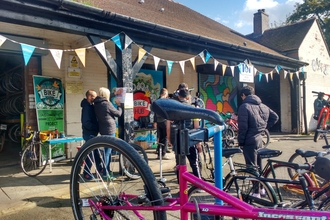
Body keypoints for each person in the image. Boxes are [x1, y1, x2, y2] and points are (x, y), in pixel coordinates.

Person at [237, 85, 278, 197]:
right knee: (259, 165)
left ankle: (256, 192)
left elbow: (243, 128)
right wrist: (264, 127)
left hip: (249, 141)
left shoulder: (244, 107)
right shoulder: (263, 105)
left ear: (243, 95)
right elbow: (275, 117)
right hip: (259, 139)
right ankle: (262, 189)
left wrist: (241, 142)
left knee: (251, 167)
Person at [168, 84, 202, 183]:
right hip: (190, 138)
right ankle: (199, 184)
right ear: (188, 97)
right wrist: (198, 143)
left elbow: (168, 125)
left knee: (179, 164)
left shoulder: (173, 108)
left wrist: (170, 139)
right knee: (194, 162)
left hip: (177, 139)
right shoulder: (193, 108)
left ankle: (181, 185)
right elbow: (196, 126)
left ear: (178, 96)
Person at [94, 87, 122, 180]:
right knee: (108, 152)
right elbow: (118, 113)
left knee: (107, 151)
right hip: (110, 129)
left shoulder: (97, 103)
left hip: (102, 129)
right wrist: (119, 106)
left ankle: (106, 170)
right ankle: (106, 173)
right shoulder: (107, 103)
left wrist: (116, 93)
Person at [81, 90, 99, 180]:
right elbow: (86, 122)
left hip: (91, 133)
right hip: (89, 134)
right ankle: (87, 173)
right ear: (89, 97)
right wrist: (95, 127)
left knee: (95, 153)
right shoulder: (87, 107)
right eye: (94, 97)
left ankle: (99, 170)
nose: (95, 98)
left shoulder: (89, 106)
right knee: (91, 154)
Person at [153, 88, 170, 160]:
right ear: (164, 93)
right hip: (164, 121)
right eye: (166, 94)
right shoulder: (165, 102)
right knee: (165, 137)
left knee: (160, 138)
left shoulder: (156, 101)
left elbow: (154, 112)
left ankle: (159, 154)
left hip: (158, 121)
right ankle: (163, 154)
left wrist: (155, 121)